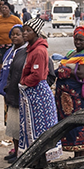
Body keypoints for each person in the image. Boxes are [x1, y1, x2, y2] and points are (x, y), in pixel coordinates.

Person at [12, 24, 55, 159]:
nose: (25, 33)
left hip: (37, 94)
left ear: (36, 33)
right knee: (32, 128)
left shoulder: (39, 51)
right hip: (31, 93)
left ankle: (40, 159)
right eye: (24, 31)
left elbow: (36, 75)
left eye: (28, 31)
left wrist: (23, 83)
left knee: (39, 130)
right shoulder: (31, 49)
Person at [0, 0, 20, 69]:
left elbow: (21, 29)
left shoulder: (15, 19)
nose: (4, 9)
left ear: (9, 9)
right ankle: (1, 75)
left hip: (11, 46)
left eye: (6, 8)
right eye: (2, 8)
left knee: (11, 63)